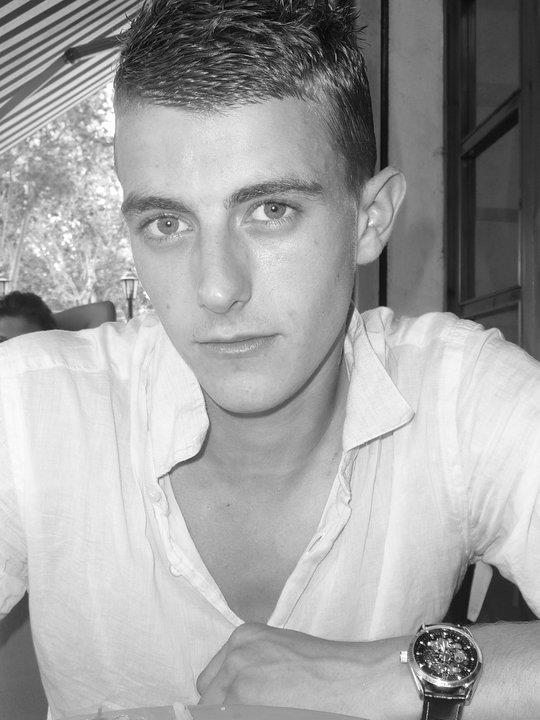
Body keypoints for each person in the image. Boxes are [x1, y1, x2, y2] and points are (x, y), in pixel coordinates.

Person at [0, 1, 538, 719]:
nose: (217, 288)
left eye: (271, 210)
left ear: (370, 219)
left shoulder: (464, 399)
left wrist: (383, 678)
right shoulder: (28, 411)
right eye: (166, 223)